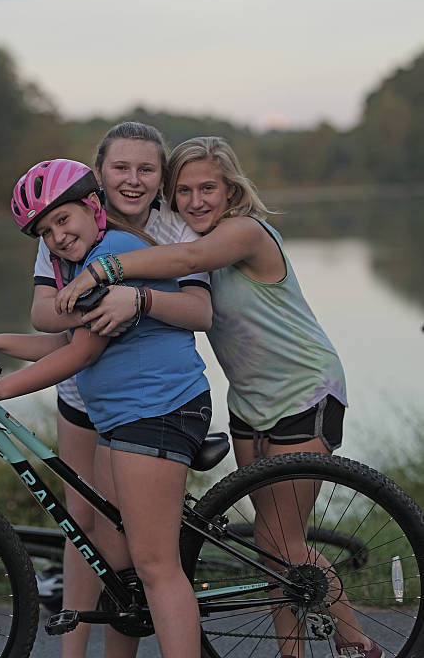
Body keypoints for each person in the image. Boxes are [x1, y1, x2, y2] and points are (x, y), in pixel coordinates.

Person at [55, 136, 383, 658]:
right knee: (273, 549)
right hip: (249, 402)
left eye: (207, 188)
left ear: (231, 189)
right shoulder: (190, 237)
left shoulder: (244, 232)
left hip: (304, 391)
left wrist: (103, 269)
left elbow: (185, 257)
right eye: (183, 191)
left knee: (282, 542)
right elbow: (175, 265)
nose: (195, 200)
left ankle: (358, 644)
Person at [0, 158, 212, 658]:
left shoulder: (113, 251)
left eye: (63, 220)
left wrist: (1, 389)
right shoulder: (79, 264)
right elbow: (65, 342)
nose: (57, 237)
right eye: (45, 233)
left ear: (93, 207)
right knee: (119, 558)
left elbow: (83, 354)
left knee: (155, 566)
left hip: (157, 411)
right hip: (123, 421)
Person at [25, 122, 211, 658]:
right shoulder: (67, 220)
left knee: (142, 552)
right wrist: (91, 304)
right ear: (98, 174)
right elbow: (43, 314)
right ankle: (73, 654)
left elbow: (199, 312)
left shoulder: (175, 227)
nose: (133, 179)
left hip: (144, 398)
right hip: (82, 396)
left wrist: (136, 299)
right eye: (120, 168)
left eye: (146, 169)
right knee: (85, 527)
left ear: (161, 176)